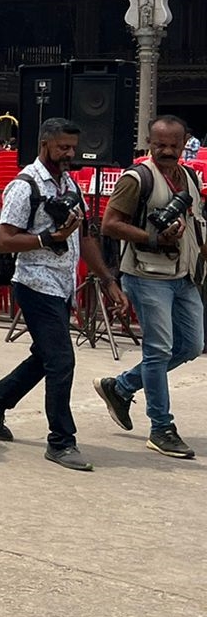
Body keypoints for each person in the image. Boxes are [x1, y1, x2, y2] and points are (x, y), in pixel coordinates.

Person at [0, 118, 120, 471]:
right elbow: (6, 240)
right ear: (45, 145)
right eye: (62, 147)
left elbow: (83, 238)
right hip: (34, 283)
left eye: (73, 147)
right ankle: (61, 441)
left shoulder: (68, 183)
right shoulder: (25, 186)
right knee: (61, 360)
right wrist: (48, 239)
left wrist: (108, 279)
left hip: (62, 283)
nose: (69, 154)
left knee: (46, 355)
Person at [93, 115, 203, 459]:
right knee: (158, 350)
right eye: (160, 145)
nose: (167, 151)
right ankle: (161, 427)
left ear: (185, 144)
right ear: (149, 143)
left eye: (174, 145)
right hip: (147, 274)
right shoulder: (136, 178)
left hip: (184, 275)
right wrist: (153, 237)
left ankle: (121, 386)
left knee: (191, 345)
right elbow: (110, 225)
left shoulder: (189, 177)